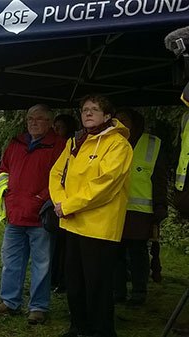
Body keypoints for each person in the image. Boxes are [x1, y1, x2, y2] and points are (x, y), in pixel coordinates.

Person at [49, 94, 133, 337]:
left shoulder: (118, 145)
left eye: (94, 109)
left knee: (97, 285)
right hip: (72, 224)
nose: (88, 113)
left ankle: (101, 331)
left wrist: (69, 205)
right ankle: (78, 327)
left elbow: (104, 186)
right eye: (85, 109)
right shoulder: (75, 142)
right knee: (74, 283)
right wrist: (60, 202)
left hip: (99, 227)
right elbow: (56, 173)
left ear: (108, 115)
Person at [0, 104, 65, 324]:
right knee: (11, 260)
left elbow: (61, 178)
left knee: (42, 263)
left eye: (39, 119)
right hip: (15, 214)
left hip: (41, 216)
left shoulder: (58, 146)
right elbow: (3, 169)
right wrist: (6, 194)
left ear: (50, 122)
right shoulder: (16, 143)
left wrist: (41, 198)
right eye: (30, 118)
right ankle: (10, 301)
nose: (33, 122)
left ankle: (38, 307)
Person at [113, 108, 167, 305]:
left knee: (138, 253)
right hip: (114, 208)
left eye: (124, 120)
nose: (119, 123)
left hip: (140, 211)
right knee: (116, 253)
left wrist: (160, 205)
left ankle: (138, 292)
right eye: (116, 120)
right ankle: (117, 291)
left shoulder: (152, 144)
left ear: (134, 122)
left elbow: (160, 178)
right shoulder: (110, 142)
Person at [51, 114, 79, 293]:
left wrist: (68, 205)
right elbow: (55, 174)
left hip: (74, 208)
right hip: (59, 205)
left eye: (59, 127)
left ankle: (64, 281)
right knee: (57, 247)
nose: (56, 131)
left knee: (67, 249)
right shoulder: (63, 146)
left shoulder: (74, 145)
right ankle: (57, 279)